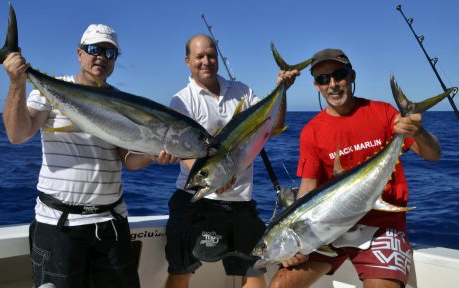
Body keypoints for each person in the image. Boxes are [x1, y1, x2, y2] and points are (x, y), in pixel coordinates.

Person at [2, 24, 177, 288]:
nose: (102, 57)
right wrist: (17, 83)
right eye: (94, 50)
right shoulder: (49, 91)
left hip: (111, 224)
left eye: (110, 53)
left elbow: (128, 160)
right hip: (59, 225)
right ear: (79, 53)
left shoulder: (122, 103)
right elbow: (17, 134)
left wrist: (153, 155)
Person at [270, 48, 442, 288]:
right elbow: (307, 190)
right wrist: (297, 243)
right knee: (279, 286)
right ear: (316, 86)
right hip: (330, 228)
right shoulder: (312, 131)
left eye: (338, 74)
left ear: (352, 76)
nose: (332, 84)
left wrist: (419, 132)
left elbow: (434, 154)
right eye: (322, 79)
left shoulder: (382, 112)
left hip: (382, 224)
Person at [164, 34, 297, 288]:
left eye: (211, 55)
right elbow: (185, 152)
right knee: (182, 269)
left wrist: (282, 89)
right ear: (187, 61)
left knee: (254, 270)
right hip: (196, 200)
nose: (206, 61)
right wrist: (214, 179)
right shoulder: (182, 100)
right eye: (199, 56)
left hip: (240, 201)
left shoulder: (242, 91)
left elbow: (274, 125)